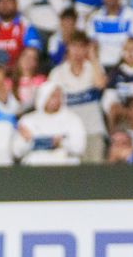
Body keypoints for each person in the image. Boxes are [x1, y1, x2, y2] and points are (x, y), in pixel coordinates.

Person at [48, 31, 108, 162]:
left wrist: (93, 58)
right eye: (74, 46)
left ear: (86, 48)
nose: (77, 51)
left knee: (96, 172)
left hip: (93, 129)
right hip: (69, 131)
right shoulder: (57, 73)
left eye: (81, 46)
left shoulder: (93, 68)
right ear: (68, 47)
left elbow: (100, 84)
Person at [12, 83, 86, 165]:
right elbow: (16, 152)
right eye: (52, 96)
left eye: (59, 96)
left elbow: (79, 148)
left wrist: (61, 143)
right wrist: (27, 141)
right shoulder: (27, 120)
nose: (57, 99)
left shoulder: (73, 119)